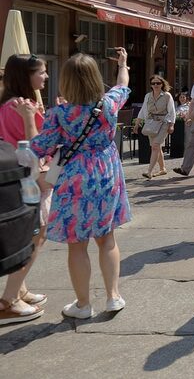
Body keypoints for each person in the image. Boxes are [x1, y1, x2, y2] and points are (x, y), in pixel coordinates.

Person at [27, 49, 131, 319]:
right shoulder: (108, 104)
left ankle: (83, 305)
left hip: (75, 177)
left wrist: (28, 120)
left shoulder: (59, 113)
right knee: (107, 238)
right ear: (95, 78)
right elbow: (123, 84)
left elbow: (40, 146)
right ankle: (113, 296)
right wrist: (123, 64)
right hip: (106, 172)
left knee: (77, 243)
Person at [0, 54, 50, 325]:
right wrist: (34, 120)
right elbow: (37, 146)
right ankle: (9, 298)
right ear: (25, 76)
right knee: (35, 236)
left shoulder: (7, 103)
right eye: (41, 72)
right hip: (33, 177)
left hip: (16, 177)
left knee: (28, 234)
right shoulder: (24, 106)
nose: (45, 77)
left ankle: (19, 289)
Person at [137, 75, 176, 179]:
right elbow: (143, 110)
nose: (156, 85)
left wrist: (171, 125)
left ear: (162, 84)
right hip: (151, 124)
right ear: (151, 85)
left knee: (155, 146)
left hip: (163, 123)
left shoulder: (167, 96)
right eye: (153, 83)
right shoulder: (148, 96)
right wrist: (137, 124)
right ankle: (163, 169)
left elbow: (172, 111)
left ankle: (149, 171)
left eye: (158, 83)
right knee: (156, 147)